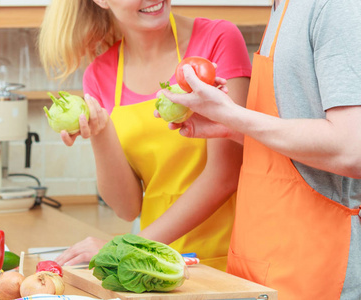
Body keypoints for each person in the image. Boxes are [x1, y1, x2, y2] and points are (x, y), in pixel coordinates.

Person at [158, 0, 361, 299]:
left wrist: (234, 115)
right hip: (261, 269)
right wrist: (232, 129)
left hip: (314, 273)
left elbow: (351, 149)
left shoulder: (334, 5)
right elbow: (301, 151)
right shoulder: (282, 7)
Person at [38, 0, 251, 271]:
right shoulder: (100, 74)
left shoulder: (217, 39)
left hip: (227, 261)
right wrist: (101, 132)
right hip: (154, 266)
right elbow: (127, 207)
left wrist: (128, 246)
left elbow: (225, 174)